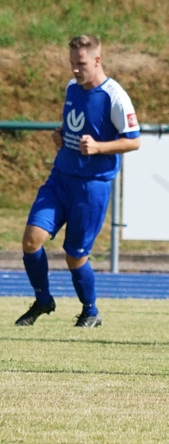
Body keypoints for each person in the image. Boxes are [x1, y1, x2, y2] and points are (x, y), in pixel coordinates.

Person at [14, 35, 141, 328]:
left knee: (75, 257)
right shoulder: (72, 87)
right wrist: (60, 135)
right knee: (31, 240)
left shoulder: (114, 96)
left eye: (81, 64)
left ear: (97, 60)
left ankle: (90, 311)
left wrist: (98, 147)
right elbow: (74, 124)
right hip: (60, 179)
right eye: (71, 63)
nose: (75, 69)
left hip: (91, 187)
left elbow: (134, 141)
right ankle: (43, 300)